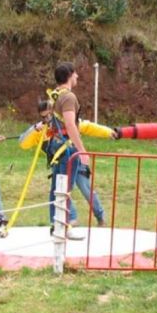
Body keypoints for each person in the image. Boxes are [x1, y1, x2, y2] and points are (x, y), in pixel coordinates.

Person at [46, 61, 116, 237]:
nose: (77, 76)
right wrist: (82, 151)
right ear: (69, 75)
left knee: (57, 187)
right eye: (75, 74)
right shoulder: (68, 97)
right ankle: (65, 226)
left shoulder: (54, 95)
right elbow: (70, 125)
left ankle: (57, 224)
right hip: (66, 148)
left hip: (56, 146)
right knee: (65, 188)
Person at [19, 100, 114, 228]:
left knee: (85, 189)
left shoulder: (68, 123)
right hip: (59, 164)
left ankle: (100, 216)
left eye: (49, 115)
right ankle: (71, 218)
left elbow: (90, 127)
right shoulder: (42, 130)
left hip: (77, 161)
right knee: (61, 190)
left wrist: (109, 132)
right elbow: (24, 143)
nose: (47, 119)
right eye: (44, 117)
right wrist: (35, 129)